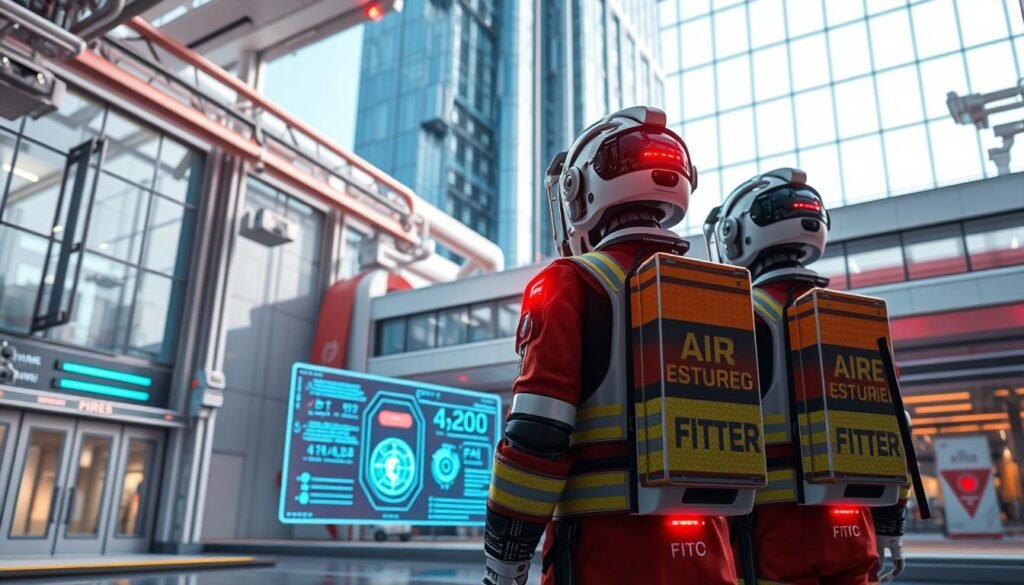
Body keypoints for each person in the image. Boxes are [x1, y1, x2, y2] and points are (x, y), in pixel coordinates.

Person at [483, 106, 737, 585]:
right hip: (711, 556)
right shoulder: (722, 296)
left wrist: (505, 563)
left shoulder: (569, 282)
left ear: (578, 193)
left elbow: (536, 439)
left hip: (609, 556)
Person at [704, 168, 906, 585]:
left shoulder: (735, 319)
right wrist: (890, 525)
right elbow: (895, 432)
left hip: (771, 534)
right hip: (853, 530)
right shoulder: (856, 322)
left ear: (734, 234)